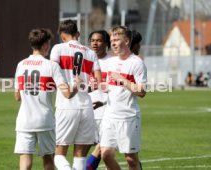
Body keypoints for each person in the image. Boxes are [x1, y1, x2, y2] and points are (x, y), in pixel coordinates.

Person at [14, 28, 82, 170]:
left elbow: (17, 96)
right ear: (45, 45)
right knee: (48, 160)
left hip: (24, 120)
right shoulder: (51, 65)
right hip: (44, 120)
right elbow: (67, 94)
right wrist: (76, 85)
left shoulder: (21, 64)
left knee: (25, 161)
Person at [50, 20, 102, 170]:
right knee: (80, 156)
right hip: (86, 106)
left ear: (62, 34)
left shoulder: (58, 48)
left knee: (59, 154)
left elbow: (53, 72)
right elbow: (97, 82)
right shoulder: (90, 53)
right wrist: (83, 86)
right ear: (77, 34)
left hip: (66, 106)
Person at [100, 26, 147, 170]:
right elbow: (110, 87)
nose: (112, 43)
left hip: (128, 117)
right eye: (112, 40)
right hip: (110, 116)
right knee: (106, 155)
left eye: (116, 40)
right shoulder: (110, 62)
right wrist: (100, 89)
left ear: (126, 41)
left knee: (131, 160)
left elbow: (142, 91)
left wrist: (123, 80)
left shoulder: (137, 63)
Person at [85, 30, 111, 170]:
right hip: (86, 112)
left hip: (105, 112)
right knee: (81, 151)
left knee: (104, 151)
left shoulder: (111, 62)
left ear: (106, 43)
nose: (95, 43)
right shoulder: (85, 60)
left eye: (99, 40)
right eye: (93, 40)